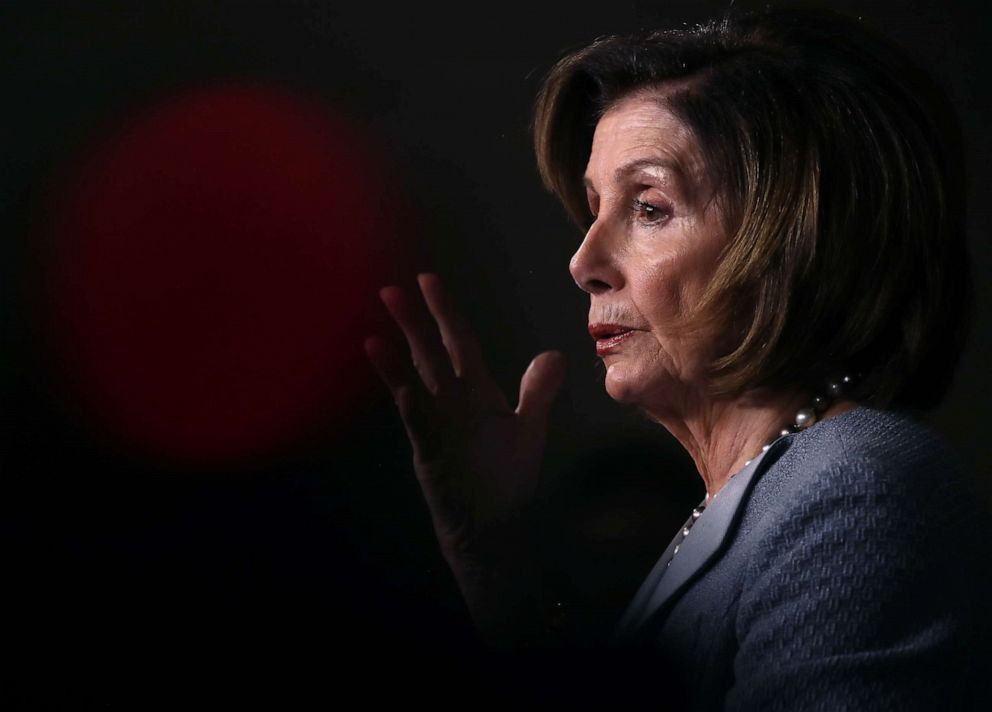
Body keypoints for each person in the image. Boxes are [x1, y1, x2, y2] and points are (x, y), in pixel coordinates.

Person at [364, 7, 989, 710]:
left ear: (790, 240)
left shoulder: (857, 489)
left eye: (650, 207)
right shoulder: (759, 497)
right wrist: (490, 551)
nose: (583, 262)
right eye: (595, 208)